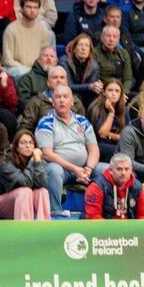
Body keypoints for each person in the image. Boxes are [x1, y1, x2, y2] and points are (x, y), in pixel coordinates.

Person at [35, 85, 102, 213]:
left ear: (72, 102)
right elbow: (47, 154)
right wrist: (74, 169)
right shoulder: (46, 122)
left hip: (84, 168)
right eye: (58, 97)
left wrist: (89, 168)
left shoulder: (83, 121)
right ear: (52, 102)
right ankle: (55, 212)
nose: (61, 100)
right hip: (61, 169)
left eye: (65, 97)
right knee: (53, 170)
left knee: (108, 170)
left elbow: (94, 149)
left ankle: (102, 213)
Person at [0, 129, 51, 220]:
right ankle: (24, 230)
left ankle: (43, 228)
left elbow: (43, 184)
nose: (28, 146)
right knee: (24, 191)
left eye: (31, 143)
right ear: (16, 147)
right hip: (2, 203)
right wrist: (32, 161)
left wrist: (37, 162)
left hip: (26, 202)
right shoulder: (6, 163)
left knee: (42, 192)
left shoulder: (38, 160)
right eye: (23, 143)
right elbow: (25, 182)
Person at [18, 66, 86, 134]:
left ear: (67, 82)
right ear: (48, 82)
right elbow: (25, 127)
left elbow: (83, 126)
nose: (59, 80)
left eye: (62, 77)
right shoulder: (36, 101)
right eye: (55, 77)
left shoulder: (76, 102)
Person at [84, 153, 144, 220]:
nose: (123, 173)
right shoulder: (96, 187)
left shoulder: (137, 187)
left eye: (126, 169)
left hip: (131, 229)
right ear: (111, 170)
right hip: (105, 228)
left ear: (131, 170)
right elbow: (93, 217)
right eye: (119, 169)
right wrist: (115, 229)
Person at [89, 79, 127, 160]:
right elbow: (102, 134)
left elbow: (126, 134)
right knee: (120, 151)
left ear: (121, 94)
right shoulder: (95, 108)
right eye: (110, 90)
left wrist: (110, 135)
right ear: (103, 92)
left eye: (117, 91)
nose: (113, 94)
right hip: (98, 146)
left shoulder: (123, 109)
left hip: (116, 144)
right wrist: (111, 113)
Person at [61, 33, 103, 107]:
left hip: (85, 96)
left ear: (90, 50)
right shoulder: (64, 61)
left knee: (99, 100)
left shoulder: (94, 65)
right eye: (80, 45)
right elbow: (67, 86)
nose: (83, 48)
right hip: (68, 94)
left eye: (87, 46)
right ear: (74, 49)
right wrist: (89, 86)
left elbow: (92, 87)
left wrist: (97, 86)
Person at [93, 25, 134, 93]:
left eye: (114, 37)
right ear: (102, 37)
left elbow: (128, 78)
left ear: (118, 39)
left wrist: (124, 93)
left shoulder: (123, 53)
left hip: (119, 91)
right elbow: (94, 79)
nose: (111, 39)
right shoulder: (94, 53)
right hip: (101, 91)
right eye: (108, 36)